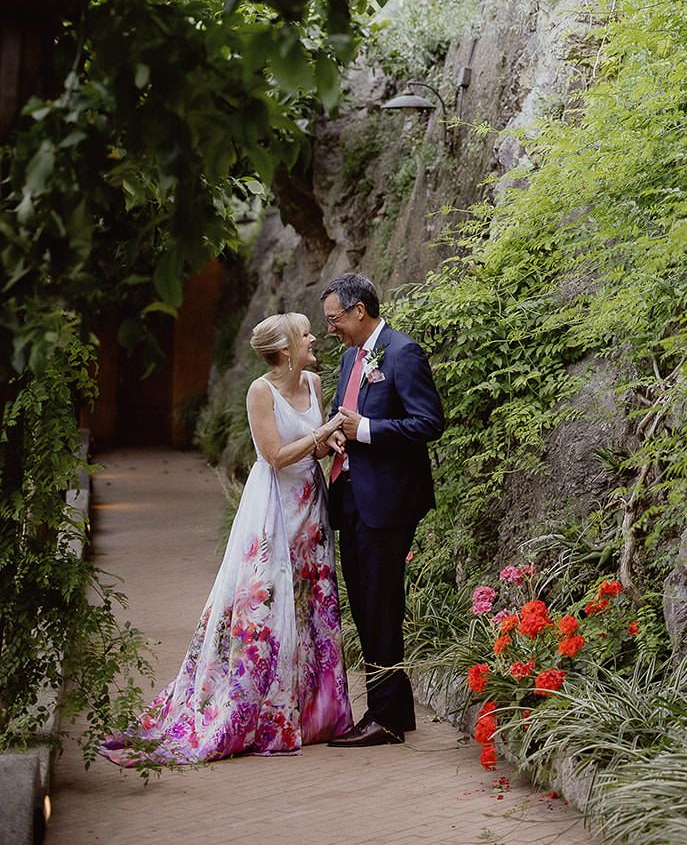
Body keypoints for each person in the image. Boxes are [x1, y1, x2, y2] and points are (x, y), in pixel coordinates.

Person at [102, 312, 352, 765]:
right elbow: (274, 456)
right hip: (273, 507)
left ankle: (314, 713)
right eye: (305, 333)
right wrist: (324, 431)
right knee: (266, 607)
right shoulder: (261, 390)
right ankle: (260, 714)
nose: (314, 337)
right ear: (284, 349)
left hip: (310, 507)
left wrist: (327, 443)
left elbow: (311, 445)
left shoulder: (314, 383)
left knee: (310, 602)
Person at [321, 270, 445, 747]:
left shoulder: (402, 352)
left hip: (389, 502)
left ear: (358, 311)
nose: (330, 327)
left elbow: (428, 422)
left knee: (380, 605)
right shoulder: (352, 357)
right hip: (351, 497)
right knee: (367, 606)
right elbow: (344, 414)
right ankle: (395, 710)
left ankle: (385, 718)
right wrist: (337, 431)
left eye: (335, 318)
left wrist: (366, 430)